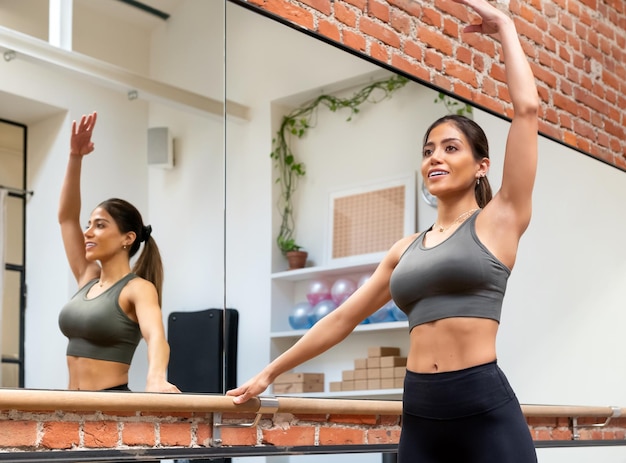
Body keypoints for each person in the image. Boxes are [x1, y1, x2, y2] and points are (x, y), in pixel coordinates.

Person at [226, 0, 539, 461]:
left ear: (480, 166)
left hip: (482, 407)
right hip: (420, 412)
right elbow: (339, 319)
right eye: (428, 149)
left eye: (451, 148)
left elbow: (527, 110)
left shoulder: (500, 220)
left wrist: (507, 28)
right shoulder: (405, 249)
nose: (435, 157)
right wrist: (269, 371)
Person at [57, 111, 180, 393]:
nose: (88, 232)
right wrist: (75, 157)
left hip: (109, 405)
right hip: (69, 404)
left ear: (128, 238)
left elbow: (156, 336)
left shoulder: (137, 289)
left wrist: (156, 378)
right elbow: (66, 218)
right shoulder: (87, 276)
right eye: (88, 224)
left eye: (99, 225)